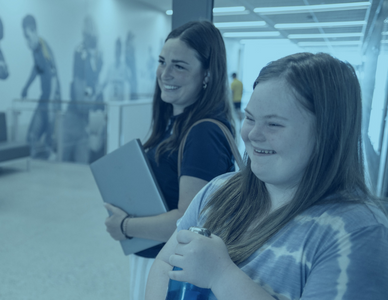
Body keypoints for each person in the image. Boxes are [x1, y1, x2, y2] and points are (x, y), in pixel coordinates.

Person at [145, 53, 388, 300]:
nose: (252, 135)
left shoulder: (359, 233)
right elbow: (165, 263)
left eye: (274, 124)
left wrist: (221, 275)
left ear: (328, 134)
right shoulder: (218, 190)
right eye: (250, 118)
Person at [103, 21, 236, 300]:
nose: (165, 73)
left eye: (179, 66)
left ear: (207, 75)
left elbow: (186, 223)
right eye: (162, 62)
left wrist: (125, 226)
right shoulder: (177, 124)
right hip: (155, 258)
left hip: (170, 269)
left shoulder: (203, 133)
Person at [62, 15, 105, 163]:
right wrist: (93, 101)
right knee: (62, 167)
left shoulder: (96, 58)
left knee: (81, 172)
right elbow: (81, 102)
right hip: (73, 119)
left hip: (84, 123)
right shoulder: (80, 53)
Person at [21, 14, 62, 160]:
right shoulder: (36, 49)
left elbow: (53, 77)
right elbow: (36, 69)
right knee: (32, 136)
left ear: (34, 30)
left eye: (27, 36)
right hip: (45, 97)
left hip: (51, 99)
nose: (26, 41)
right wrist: (26, 87)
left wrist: (51, 103)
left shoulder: (43, 48)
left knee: (48, 141)